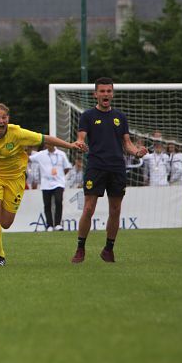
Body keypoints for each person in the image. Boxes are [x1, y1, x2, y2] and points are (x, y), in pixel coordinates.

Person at [0, 104, 84, 266]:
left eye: (4, 117)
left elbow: (45, 138)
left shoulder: (17, 133)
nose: (1, 121)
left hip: (15, 180)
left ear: (8, 119)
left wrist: (70, 145)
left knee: (6, 223)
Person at [70, 78, 147, 264]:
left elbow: (127, 144)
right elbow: (81, 137)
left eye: (108, 91)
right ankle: (80, 248)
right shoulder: (87, 116)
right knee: (88, 208)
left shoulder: (120, 117)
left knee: (115, 209)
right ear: (95, 94)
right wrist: (80, 144)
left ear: (112, 94)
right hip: (96, 166)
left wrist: (137, 152)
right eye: (102, 91)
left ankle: (108, 249)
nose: (105, 94)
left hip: (117, 167)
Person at [30, 143, 72, 231]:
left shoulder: (61, 154)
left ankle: (57, 224)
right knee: (47, 204)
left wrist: (61, 176)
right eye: (47, 144)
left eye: (49, 144)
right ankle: (49, 225)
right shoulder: (41, 154)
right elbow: (29, 159)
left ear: (53, 144)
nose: (47, 145)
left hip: (58, 183)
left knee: (58, 201)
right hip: (45, 183)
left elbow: (67, 167)